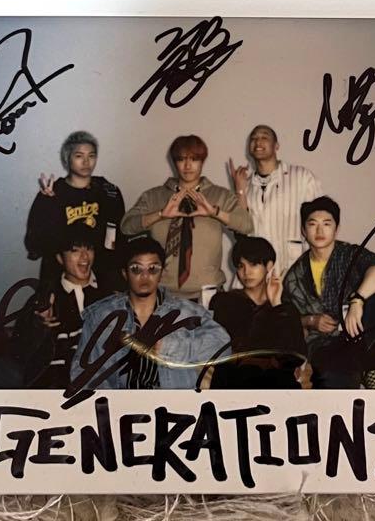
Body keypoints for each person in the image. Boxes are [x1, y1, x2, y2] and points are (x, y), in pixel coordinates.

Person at [71, 236, 231, 390]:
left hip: (173, 402)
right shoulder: (101, 315)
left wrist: (168, 347)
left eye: (153, 269)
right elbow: (82, 372)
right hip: (121, 403)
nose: (145, 276)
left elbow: (223, 347)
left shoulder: (187, 312)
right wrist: (111, 402)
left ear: (161, 273)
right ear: (125, 273)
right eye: (136, 269)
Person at [283, 195, 375, 389]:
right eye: (312, 224)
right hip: (328, 345)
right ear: (303, 230)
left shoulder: (350, 254)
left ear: (336, 228)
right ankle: (366, 374)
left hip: (365, 334)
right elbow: (288, 319)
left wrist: (357, 301)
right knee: (332, 378)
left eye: (326, 224)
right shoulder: (295, 275)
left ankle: (371, 366)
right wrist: (311, 320)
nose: (320, 230)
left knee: (374, 286)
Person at [120, 134, 252, 301]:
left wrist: (215, 213)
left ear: (202, 161)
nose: (188, 165)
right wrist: (160, 214)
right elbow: (126, 226)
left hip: (207, 294)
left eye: (194, 159)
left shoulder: (220, 195)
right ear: (174, 162)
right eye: (181, 159)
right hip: (162, 292)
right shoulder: (154, 196)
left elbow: (246, 225)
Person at [24, 131, 125, 289]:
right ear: (67, 159)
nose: (86, 161)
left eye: (91, 156)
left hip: (101, 273)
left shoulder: (107, 191)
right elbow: (34, 244)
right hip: (60, 276)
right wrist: (47, 204)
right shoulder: (53, 192)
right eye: (79, 156)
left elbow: (118, 236)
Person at [14, 226, 108, 388]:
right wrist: (39, 325)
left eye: (89, 249)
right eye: (75, 250)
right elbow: (18, 351)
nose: (85, 257)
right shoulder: (45, 298)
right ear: (60, 258)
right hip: (55, 385)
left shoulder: (110, 292)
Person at [209, 236, 308, 388]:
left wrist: (276, 304)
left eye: (253, 264)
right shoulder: (225, 302)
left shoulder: (285, 308)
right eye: (241, 266)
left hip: (273, 382)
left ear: (269, 266)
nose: (246, 272)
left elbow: (295, 356)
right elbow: (234, 347)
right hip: (235, 379)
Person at [228, 124, 321, 276]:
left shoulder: (301, 177)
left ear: (276, 146)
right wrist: (240, 189)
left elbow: (318, 222)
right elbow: (241, 233)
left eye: (264, 137)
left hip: (293, 269)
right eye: (254, 138)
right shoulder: (246, 185)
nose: (258, 141)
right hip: (257, 273)